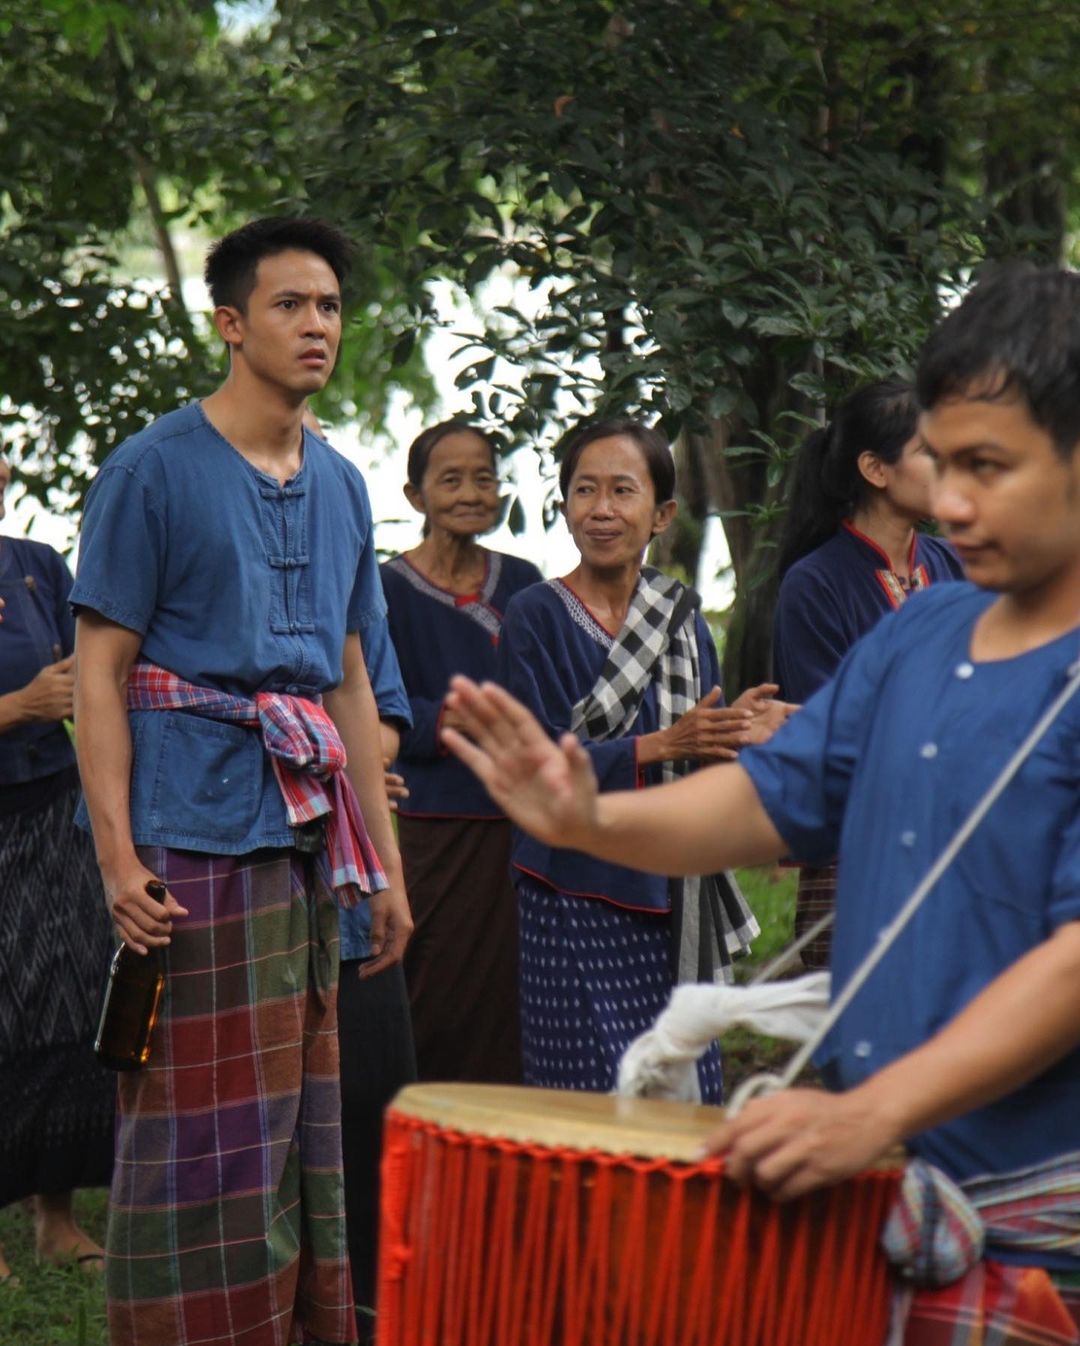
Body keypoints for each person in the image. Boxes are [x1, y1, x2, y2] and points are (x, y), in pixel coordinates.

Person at [442, 264, 1080, 1343]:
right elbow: (774, 797)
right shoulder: (924, 629)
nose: (950, 500)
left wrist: (872, 1110)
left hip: (1039, 1207)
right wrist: (588, 816)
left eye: (990, 466)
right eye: (939, 461)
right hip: (878, 1176)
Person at [71, 218, 411, 1346]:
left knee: (301, 1122)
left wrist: (388, 874)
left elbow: (353, 686)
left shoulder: (347, 485)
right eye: (290, 305)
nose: (318, 325)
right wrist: (118, 855)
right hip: (189, 841)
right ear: (230, 322)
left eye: (329, 307)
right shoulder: (152, 469)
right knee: (191, 1126)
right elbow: (102, 677)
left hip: (310, 849)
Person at [491, 418, 792, 1100]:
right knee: (592, 1096)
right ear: (563, 504)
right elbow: (530, 766)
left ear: (661, 514)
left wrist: (737, 732)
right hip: (572, 889)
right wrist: (660, 744)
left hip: (673, 891)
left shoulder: (682, 619)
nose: (600, 509)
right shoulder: (534, 614)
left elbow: (705, 759)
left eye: (621, 491)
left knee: (681, 1088)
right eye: (583, 490)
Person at [772, 381, 963, 966]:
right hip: (860, 855)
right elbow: (831, 732)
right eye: (931, 453)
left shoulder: (951, 563)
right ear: (875, 470)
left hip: (962, 840)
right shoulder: (816, 582)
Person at [302, 407, 417, 1345]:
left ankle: (371, 1308)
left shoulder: (351, 578)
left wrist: (337, 751)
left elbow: (375, 716)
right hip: (244, 860)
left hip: (352, 876)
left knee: (372, 1102)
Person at [380, 420, 542, 1083]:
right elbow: (374, 701)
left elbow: (544, 690)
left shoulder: (524, 583)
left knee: (513, 989)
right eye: (451, 480)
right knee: (438, 983)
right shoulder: (386, 589)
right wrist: (452, 718)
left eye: (484, 477)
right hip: (435, 822)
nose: (472, 492)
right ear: (415, 495)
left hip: (521, 817)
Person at [0, 455, 115, 1285]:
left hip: (53, 810)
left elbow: (98, 669)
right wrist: (19, 706)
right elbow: (43, 693)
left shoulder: (38, 565)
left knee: (69, 1003)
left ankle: (55, 1214)